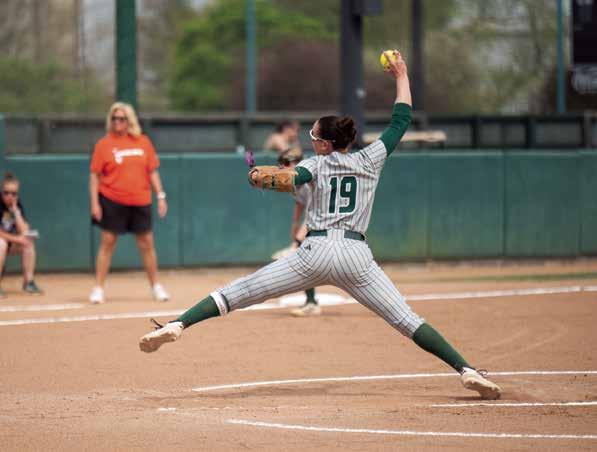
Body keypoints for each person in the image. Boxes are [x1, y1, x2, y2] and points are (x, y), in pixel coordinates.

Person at [139, 51, 501, 400]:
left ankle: (178, 324)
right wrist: (402, 75)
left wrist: (260, 177)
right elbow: (400, 120)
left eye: (314, 138)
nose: (311, 142)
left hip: (314, 252)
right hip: (356, 256)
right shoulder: (370, 158)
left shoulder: (316, 164)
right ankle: (466, 369)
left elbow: (290, 178)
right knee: (406, 320)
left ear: (326, 144)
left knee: (241, 291)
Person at [89, 102, 170, 304]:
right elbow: (94, 176)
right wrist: (95, 204)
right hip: (112, 199)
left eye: (122, 118)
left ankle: (156, 286)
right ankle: (98, 288)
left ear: (129, 121)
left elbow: (152, 171)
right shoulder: (103, 144)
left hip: (140, 200)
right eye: (114, 118)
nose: (117, 122)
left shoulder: (143, 142)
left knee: (146, 243)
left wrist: (160, 196)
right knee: (107, 242)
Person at [277, 148, 320, 317]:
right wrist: (294, 226)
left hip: (331, 224)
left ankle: (311, 302)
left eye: (286, 163)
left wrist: (298, 240)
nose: (283, 167)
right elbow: (300, 204)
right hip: (318, 224)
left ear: (297, 164)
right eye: (282, 164)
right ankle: (311, 302)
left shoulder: (311, 181)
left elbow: (313, 213)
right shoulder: (295, 183)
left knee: (352, 269)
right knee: (306, 263)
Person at [0, 172, 43, 297]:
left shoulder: (16, 205)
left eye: (13, 193)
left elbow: (24, 230)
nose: (10, 196)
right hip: (2, 243)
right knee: (1, 244)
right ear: (1, 192)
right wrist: (17, 239)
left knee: (28, 242)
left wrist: (16, 212)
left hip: (9, 243)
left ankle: (29, 283)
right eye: (6, 193)